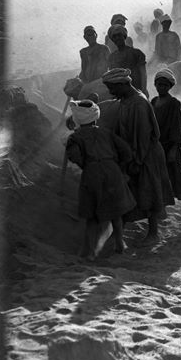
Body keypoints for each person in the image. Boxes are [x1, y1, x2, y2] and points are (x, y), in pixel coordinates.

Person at [101, 68, 172, 245]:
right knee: (131, 192)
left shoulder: (138, 103)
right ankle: (118, 233)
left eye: (112, 88)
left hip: (146, 154)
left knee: (150, 190)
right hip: (134, 152)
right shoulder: (126, 99)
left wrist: (136, 160)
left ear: (123, 84)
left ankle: (153, 233)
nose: (111, 92)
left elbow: (142, 137)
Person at [65, 99, 135, 258]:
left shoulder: (75, 138)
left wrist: (86, 165)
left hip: (92, 172)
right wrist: (119, 166)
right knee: (116, 212)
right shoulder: (106, 132)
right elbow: (126, 151)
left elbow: (74, 156)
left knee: (92, 215)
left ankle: (90, 252)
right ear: (95, 118)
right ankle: (119, 244)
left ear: (77, 119)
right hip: (112, 171)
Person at [151, 69, 181, 219]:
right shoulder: (154, 102)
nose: (161, 87)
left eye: (164, 85)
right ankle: (162, 211)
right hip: (158, 147)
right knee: (160, 178)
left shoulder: (174, 104)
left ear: (170, 86)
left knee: (177, 177)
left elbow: (178, 126)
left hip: (171, 147)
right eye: (159, 84)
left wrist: (174, 149)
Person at [108, 25, 148, 97]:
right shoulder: (112, 57)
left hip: (137, 91)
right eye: (114, 36)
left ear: (124, 36)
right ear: (112, 40)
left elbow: (143, 74)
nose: (117, 38)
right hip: (120, 94)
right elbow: (113, 77)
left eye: (119, 35)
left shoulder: (136, 53)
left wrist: (144, 90)